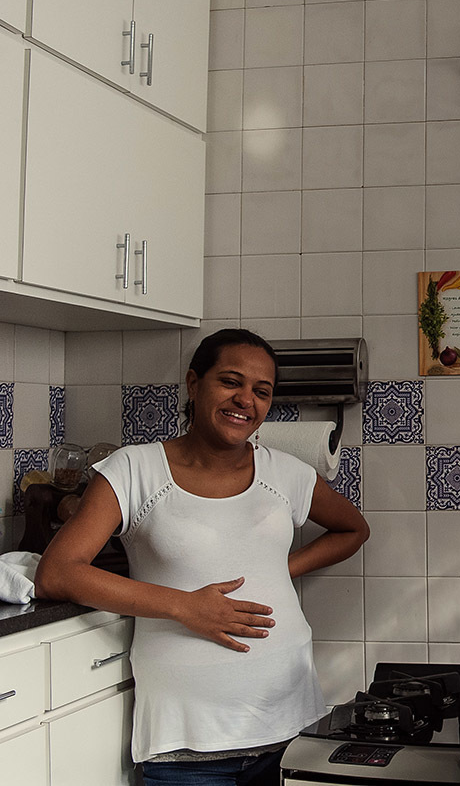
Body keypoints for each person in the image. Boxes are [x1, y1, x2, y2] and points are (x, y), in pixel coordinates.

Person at [35, 328, 370, 786]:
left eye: (261, 391)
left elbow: (354, 529)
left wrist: (280, 570)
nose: (245, 400)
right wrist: (184, 606)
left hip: (291, 728)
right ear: (194, 384)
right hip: (186, 746)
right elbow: (57, 573)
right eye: (230, 381)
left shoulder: (286, 473)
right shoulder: (134, 469)